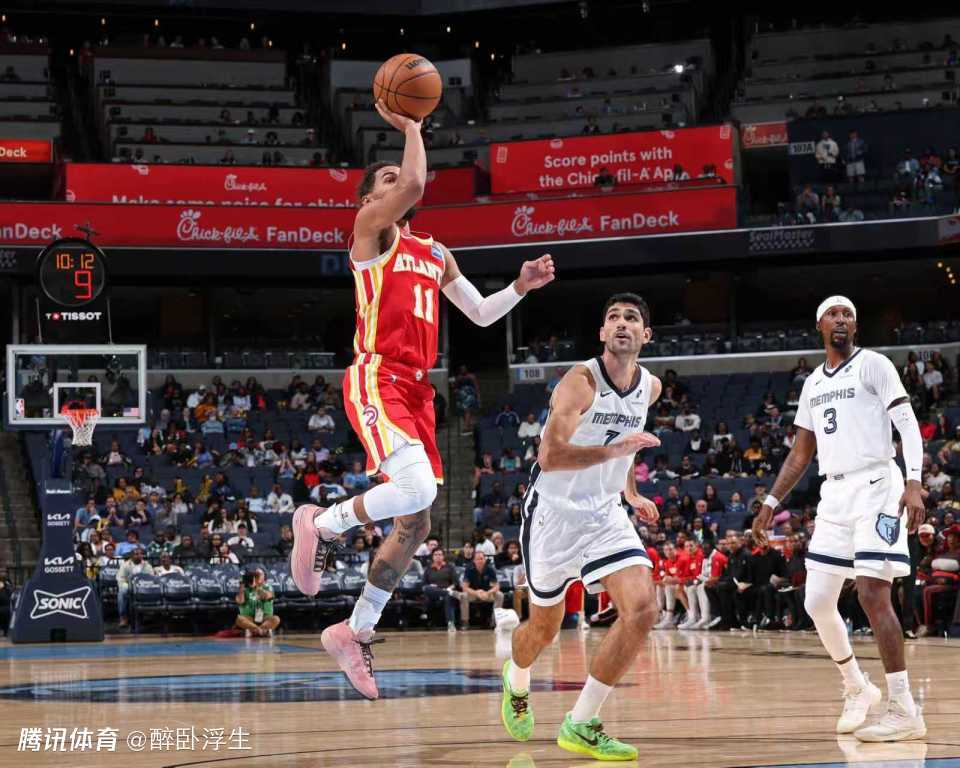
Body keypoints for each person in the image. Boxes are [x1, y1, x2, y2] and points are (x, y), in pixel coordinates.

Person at [288, 98, 555, 701]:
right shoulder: (370, 232)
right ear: (368, 200)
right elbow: (412, 183)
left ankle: (354, 631)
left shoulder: (435, 252)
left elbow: (480, 314)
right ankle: (321, 523)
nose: (398, 184)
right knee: (415, 491)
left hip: (418, 388)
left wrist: (519, 286)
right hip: (378, 374)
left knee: (417, 520)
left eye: (396, 177)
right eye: (383, 181)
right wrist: (410, 125)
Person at [754, 295, 927, 742]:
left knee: (872, 592)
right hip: (834, 493)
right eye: (833, 314)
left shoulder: (874, 365)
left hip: (877, 486)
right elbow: (800, 453)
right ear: (820, 325)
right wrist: (771, 501)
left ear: (855, 325)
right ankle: (856, 686)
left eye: (848, 314)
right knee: (815, 601)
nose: (841, 319)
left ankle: (904, 708)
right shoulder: (813, 382)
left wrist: (913, 482)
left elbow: (908, 425)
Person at [501, 293, 661, 760]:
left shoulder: (649, 387)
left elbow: (627, 443)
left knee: (643, 609)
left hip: (604, 515)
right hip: (553, 514)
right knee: (543, 630)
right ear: (602, 333)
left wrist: (630, 491)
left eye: (631, 318)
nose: (622, 323)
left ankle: (583, 722)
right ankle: (517, 678)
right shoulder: (580, 382)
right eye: (613, 317)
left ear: (646, 334)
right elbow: (550, 457)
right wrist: (614, 453)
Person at [459, 549, 504, 627]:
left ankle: (494, 621)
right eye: (477, 559)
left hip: (486, 594)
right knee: (463, 595)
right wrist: (476, 593)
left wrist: (488, 592)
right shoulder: (469, 569)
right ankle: (465, 622)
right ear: (474, 561)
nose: (480, 561)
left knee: (500, 595)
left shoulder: (490, 569)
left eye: (482, 559)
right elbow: (465, 587)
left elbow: (496, 586)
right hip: (473, 594)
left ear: (485, 560)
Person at [423, 546, 460, 631]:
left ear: (443, 556)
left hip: (447, 590)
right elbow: (424, 584)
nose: (438, 556)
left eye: (440, 554)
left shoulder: (450, 567)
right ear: (432, 557)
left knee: (448, 597)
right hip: (433, 594)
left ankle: (450, 624)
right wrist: (431, 586)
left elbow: (456, 583)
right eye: (436, 555)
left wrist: (449, 588)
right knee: (426, 588)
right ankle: (446, 593)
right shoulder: (428, 568)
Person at [235, 568, 281, 637]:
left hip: (265, 618)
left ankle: (253, 630)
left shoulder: (268, 587)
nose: (257, 577)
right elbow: (240, 601)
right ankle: (261, 630)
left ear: (264, 577)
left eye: (259, 575)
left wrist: (256, 587)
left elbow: (265, 596)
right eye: (255, 575)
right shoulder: (245, 588)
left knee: (276, 619)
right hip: (250, 619)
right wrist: (242, 587)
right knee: (239, 619)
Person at [116, 547, 154, 628]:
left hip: (143, 587)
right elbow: (120, 579)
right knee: (122, 592)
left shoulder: (147, 565)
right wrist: (128, 585)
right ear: (131, 556)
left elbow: (151, 579)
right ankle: (123, 617)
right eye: (136, 554)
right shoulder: (125, 565)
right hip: (129, 586)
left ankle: (147, 615)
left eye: (140, 554)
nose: (139, 556)